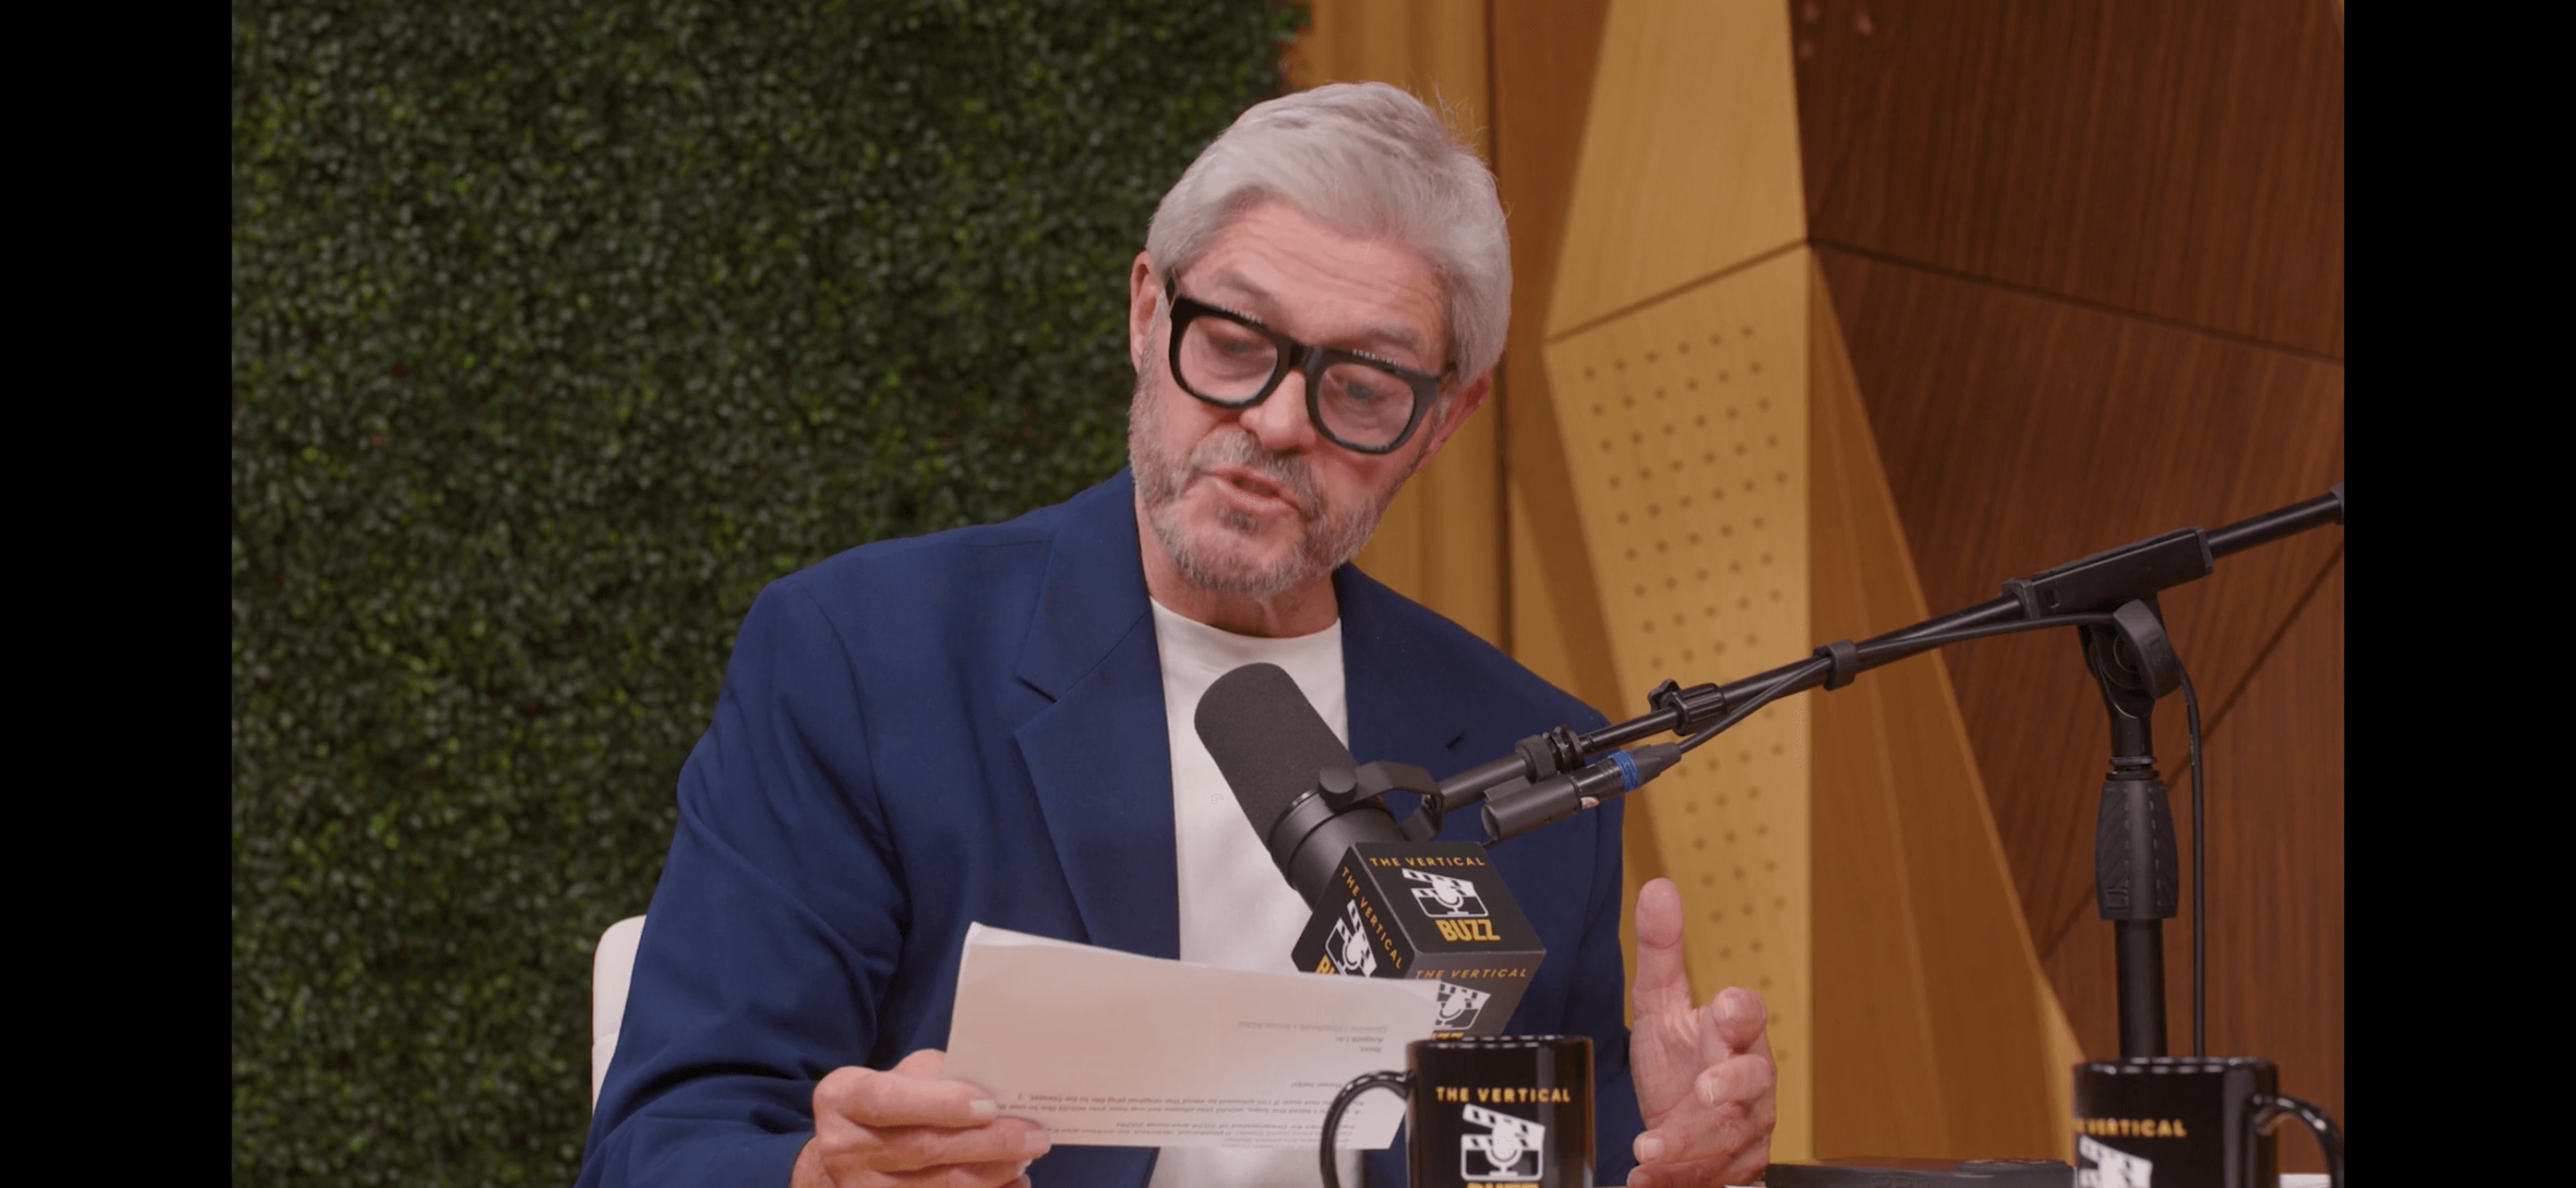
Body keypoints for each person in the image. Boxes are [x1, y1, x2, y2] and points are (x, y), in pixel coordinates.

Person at [578, 82, 1776, 1188]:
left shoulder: (1532, 752)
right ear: (1148, 313)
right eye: (1237, 342)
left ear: (1444, 422)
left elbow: (1530, 1164)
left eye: (1362, 388)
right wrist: (819, 1179)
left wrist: (1661, 1161)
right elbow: (660, 1144)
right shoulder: (863, 659)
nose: (1278, 420)